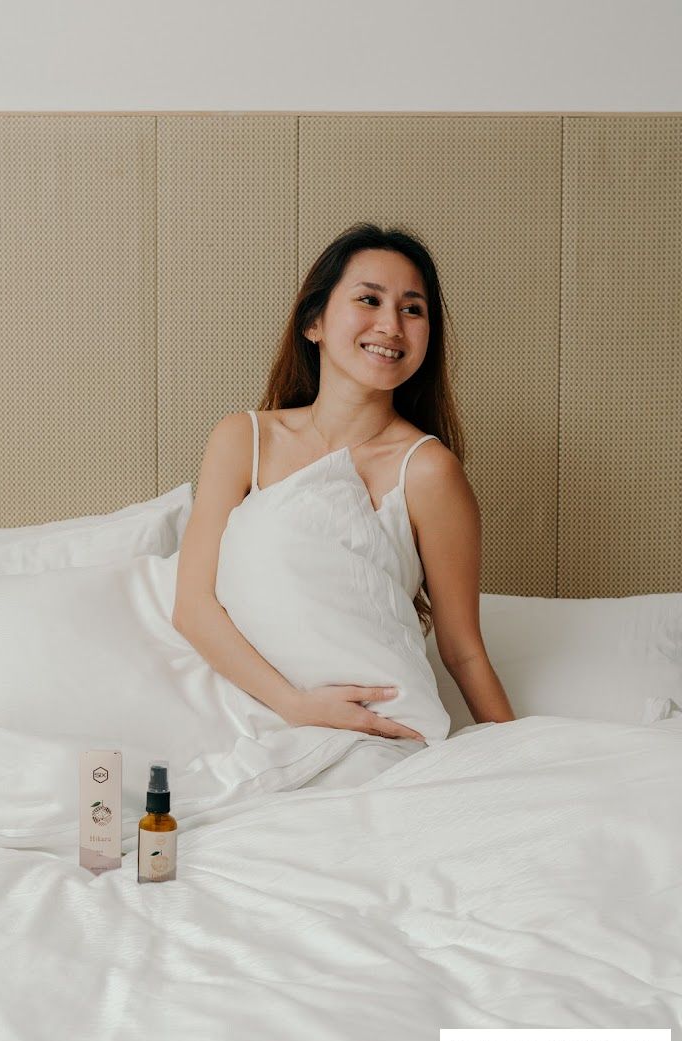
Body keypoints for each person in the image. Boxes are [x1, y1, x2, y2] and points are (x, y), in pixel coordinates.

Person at [172, 222, 515, 739]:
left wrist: (524, 758)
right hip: (254, 718)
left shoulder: (427, 470)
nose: (391, 326)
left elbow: (462, 650)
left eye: (412, 309)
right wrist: (296, 705)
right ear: (314, 322)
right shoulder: (242, 439)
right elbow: (193, 608)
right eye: (369, 300)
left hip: (381, 731)